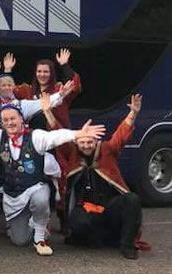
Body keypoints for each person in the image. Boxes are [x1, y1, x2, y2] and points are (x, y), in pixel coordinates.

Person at [0, 96, 105, 256]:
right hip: (13, 197)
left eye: (13, 118)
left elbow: (55, 137)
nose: (10, 123)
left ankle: (40, 237)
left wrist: (77, 134)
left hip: (34, 189)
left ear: (22, 119)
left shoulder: (36, 136)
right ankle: (32, 223)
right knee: (20, 241)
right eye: (6, 120)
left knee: (41, 197)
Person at [57, 94, 144, 259]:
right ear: (77, 143)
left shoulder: (107, 150)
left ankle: (126, 246)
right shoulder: (73, 153)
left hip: (109, 207)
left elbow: (120, 136)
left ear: (96, 141)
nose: (86, 146)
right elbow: (57, 136)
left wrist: (132, 114)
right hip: (86, 208)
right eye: (82, 143)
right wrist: (48, 113)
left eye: (90, 142)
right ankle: (93, 239)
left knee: (132, 199)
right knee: (78, 221)